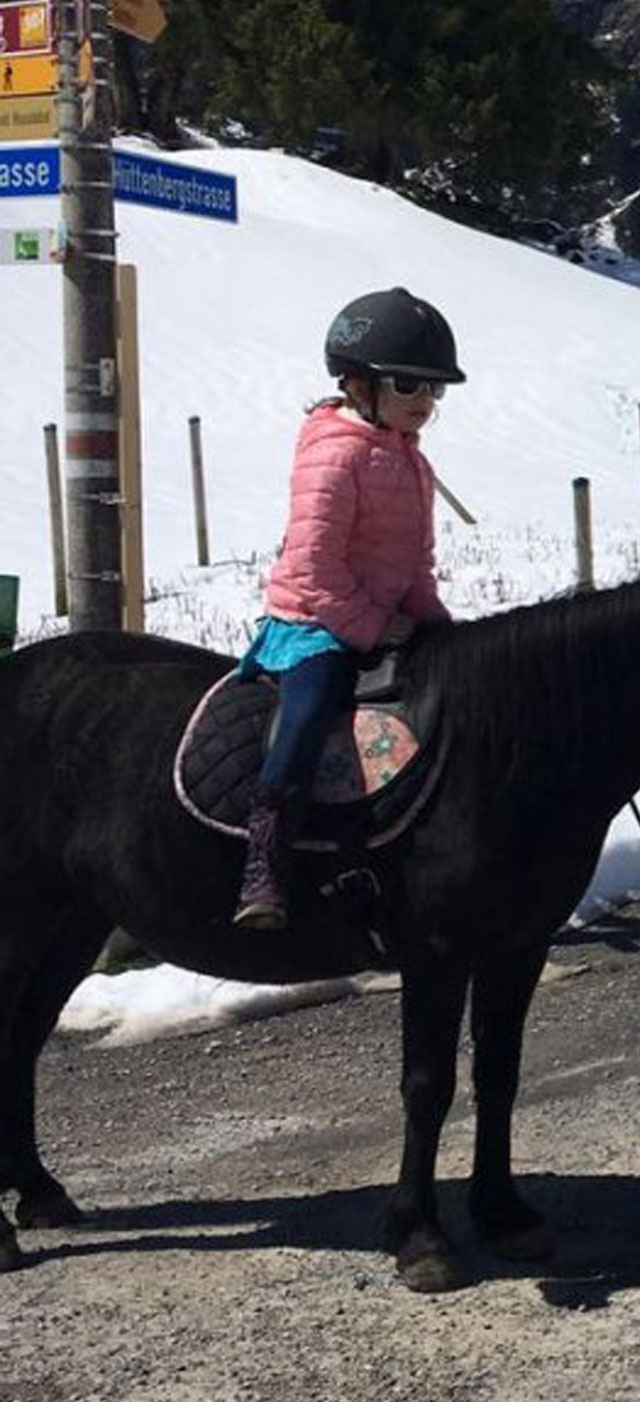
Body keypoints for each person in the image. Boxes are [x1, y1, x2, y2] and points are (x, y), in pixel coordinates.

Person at [231, 287, 463, 931]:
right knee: (308, 714)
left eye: (435, 391)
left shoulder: (411, 460)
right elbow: (312, 567)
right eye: (411, 385)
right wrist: (370, 627)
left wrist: (440, 632)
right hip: (316, 625)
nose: (425, 403)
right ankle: (266, 861)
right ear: (360, 383)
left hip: (384, 622)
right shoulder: (334, 452)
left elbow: (416, 565)